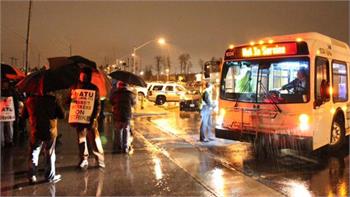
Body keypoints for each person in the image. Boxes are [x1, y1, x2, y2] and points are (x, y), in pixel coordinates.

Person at [22, 93, 64, 183]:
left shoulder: (29, 100)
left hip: (35, 130)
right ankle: (50, 176)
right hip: (50, 130)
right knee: (49, 152)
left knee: (34, 151)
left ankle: (32, 175)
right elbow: (62, 115)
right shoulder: (53, 100)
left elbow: (23, 115)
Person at [69, 67, 105, 169]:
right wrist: (71, 99)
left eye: (85, 75)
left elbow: (98, 105)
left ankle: (100, 160)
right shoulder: (75, 87)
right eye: (81, 74)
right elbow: (69, 102)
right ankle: (83, 159)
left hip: (91, 119)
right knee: (81, 140)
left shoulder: (94, 88)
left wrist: (94, 118)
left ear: (88, 76)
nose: (83, 76)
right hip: (79, 119)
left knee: (94, 140)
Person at [109, 81, 136, 153]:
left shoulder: (115, 94)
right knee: (126, 130)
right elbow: (134, 103)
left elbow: (111, 101)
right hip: (127, 115)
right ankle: (125, 147)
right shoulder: (130, 94)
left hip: (117, 114)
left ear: (119, 86)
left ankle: (118, 147)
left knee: (118, 131)